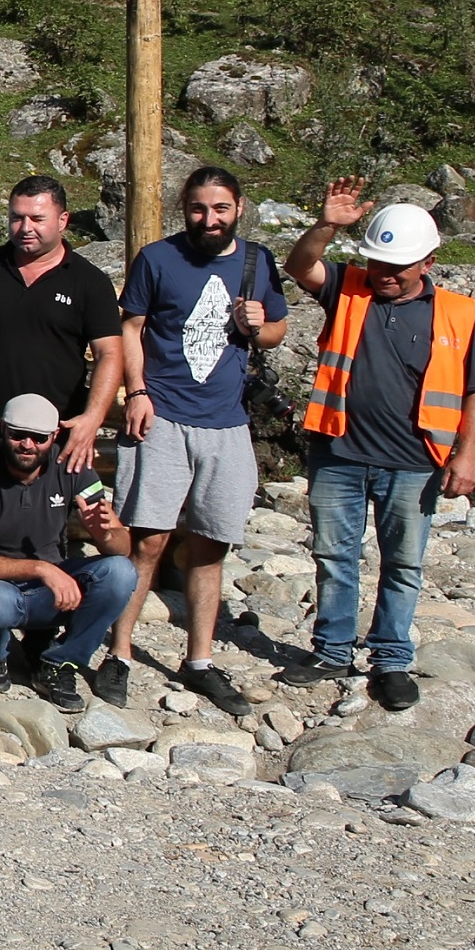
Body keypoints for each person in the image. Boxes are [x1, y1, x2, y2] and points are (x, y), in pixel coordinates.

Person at [282, 183, 475, 712]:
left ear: (429, 261)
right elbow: (299, 263)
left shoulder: (456, 315)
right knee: (334, 556)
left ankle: (391, 659)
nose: (386, 273)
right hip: (339, 453)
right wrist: (328, 225)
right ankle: (331, 650)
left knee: (402, 564)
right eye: (377, 261)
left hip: (415, 463)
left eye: (398, 265)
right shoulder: (348, 289)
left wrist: (466, 455)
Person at [109, 165, 286, 717]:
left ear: (238, 209)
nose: (209, 220)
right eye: (198, 209)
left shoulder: (257, 261)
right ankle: (119, 653)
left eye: (220, 209)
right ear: (183, 208)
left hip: (227, 423)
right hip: (162, 415)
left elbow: (278, 331)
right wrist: (135, 391)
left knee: (211, 543)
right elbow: (130, 327)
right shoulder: (158, 259)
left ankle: (200, 659)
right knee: (150, 541)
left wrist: (258, 324)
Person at [0, 175, 122, 470]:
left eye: (37, 218)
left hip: (56, 434)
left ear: (63, 220)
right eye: (17, 218)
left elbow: (110, 353)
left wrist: (92, 419)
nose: (26, 228)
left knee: (52, 517)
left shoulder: (89, 282)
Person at [0, 393, 135, 713]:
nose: (28, 444)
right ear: (2, 429)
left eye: (39, 437)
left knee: (120, 573)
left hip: (52, 586)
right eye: (17, 434)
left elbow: (122, 550)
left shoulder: (72, 467)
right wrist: (41, 569)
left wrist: (108, 534)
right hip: (1, 582)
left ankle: (61, 663)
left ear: (54, 437)